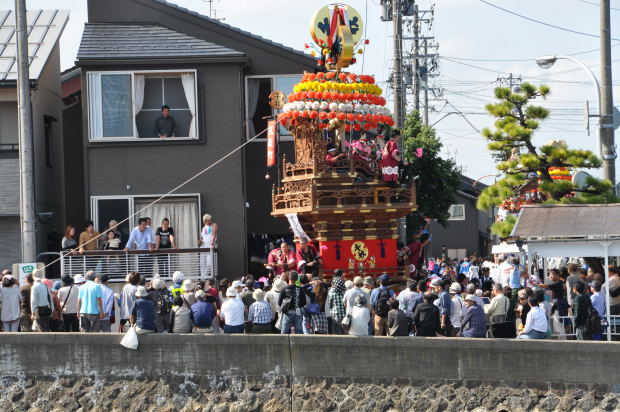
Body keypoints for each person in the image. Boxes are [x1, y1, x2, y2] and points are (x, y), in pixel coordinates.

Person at [199, 214, 218, 278]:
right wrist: (200, 242)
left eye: (210, 220)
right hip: (203, 247)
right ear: (204, 221)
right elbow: (203, 238)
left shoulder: (213, 225)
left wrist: (212, 243)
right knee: (203, 264)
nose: (210, 221)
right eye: (208, 220)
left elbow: (214, 234)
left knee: (209, 263)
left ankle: (207, 276)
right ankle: (203, 277)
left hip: (210, 247)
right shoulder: (203, 228)